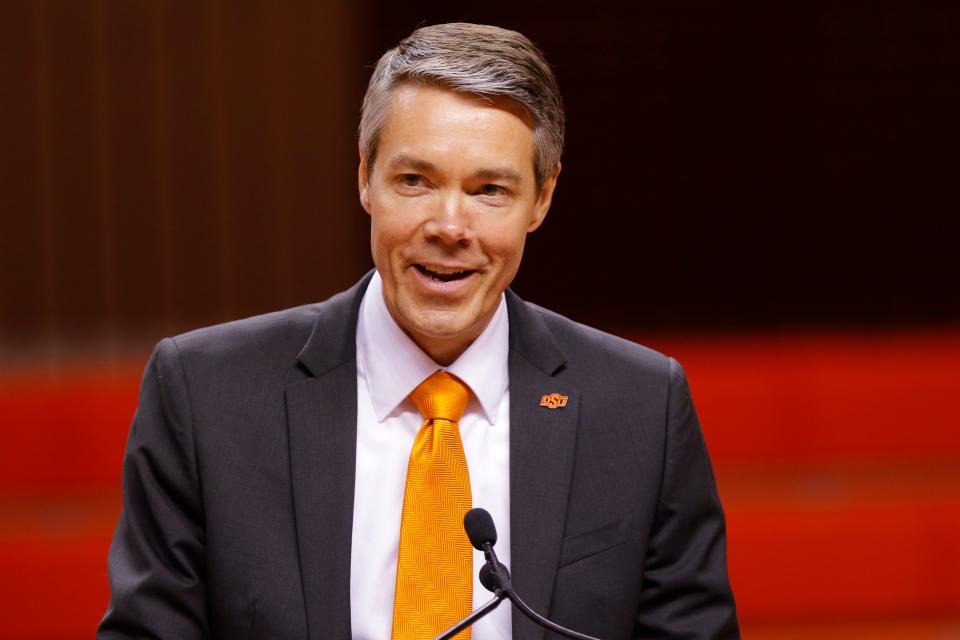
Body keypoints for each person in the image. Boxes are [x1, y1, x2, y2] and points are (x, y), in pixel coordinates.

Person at [98, 22, 739, 640]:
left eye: (490, 189)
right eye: (415, 181)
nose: (450, 226)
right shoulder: (207, 395)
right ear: (364, 178)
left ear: (542, 199)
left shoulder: (639, 407)